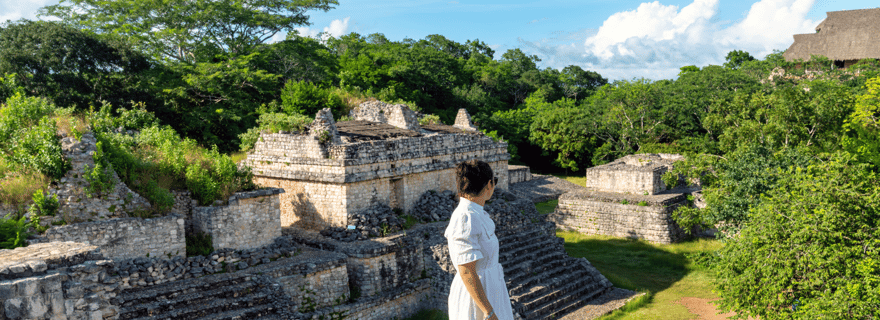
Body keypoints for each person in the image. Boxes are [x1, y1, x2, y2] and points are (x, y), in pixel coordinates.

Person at [445, 160, 514, 320]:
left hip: (491, 291)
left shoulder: (475, 213)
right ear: (489, 184)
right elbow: (467, 270)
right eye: (494, 181)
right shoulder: (465, 217)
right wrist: (488, 312)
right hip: (477, 300)